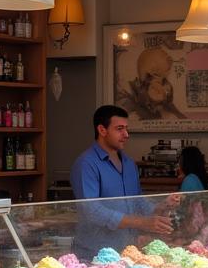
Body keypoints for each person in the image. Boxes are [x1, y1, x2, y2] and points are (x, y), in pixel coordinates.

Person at [70, 105, 173, 255]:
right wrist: (143, 223)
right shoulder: (86, 164)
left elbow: (137, 200)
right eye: (119, 129)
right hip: (93, 253)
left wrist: (161, 207)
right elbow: (91, 210)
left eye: (126, 128)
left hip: (127, 251)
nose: (126, 134)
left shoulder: (129, 163)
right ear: (102, 130)